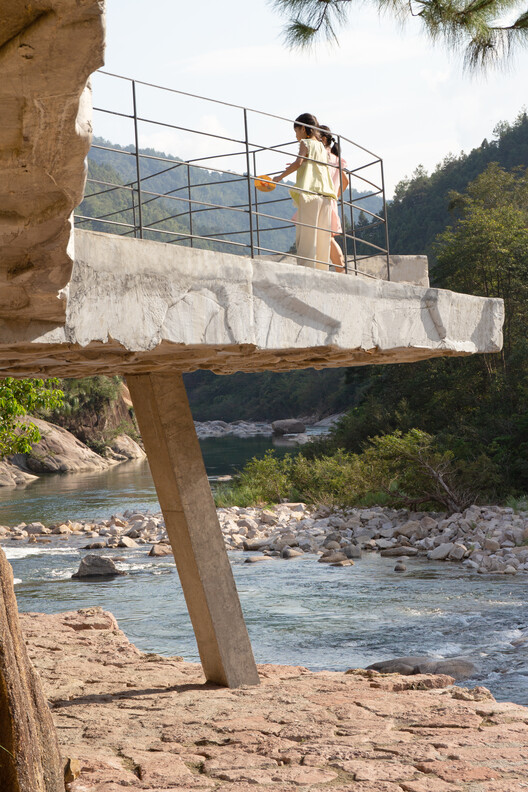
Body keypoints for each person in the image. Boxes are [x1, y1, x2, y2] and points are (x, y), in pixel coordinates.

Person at [273, 113, 337, 271]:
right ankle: (323, 272)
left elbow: (299, 161)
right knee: (322, 241)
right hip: (327, 197)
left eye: (296, 131)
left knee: (307, 238)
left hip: (310, 195)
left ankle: (305, 272)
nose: (296, 136)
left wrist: (279, 177)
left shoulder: (305, 143)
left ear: (303, 128)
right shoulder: (322, 147)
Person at [320, 125, 349, 273]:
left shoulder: (323, 157)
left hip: (322, 199)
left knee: (327, 237)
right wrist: (335, 195)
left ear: (323, 139)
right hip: (331, 200)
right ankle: (340, 269)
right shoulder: (338, 160)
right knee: (327, 236)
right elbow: (345, 182)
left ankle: (340, 269)